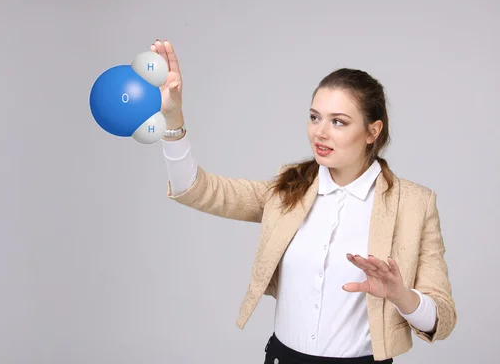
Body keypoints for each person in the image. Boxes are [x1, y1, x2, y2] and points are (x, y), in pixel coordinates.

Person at [153, 39, 457, 363]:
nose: (320, 133)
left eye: (338, 121)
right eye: (315, 117)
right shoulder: (287, 190)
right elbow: (195, 189)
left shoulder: (413, 205)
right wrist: (173, 120)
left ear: (373, 131)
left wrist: (401, 296)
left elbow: (442, 319)